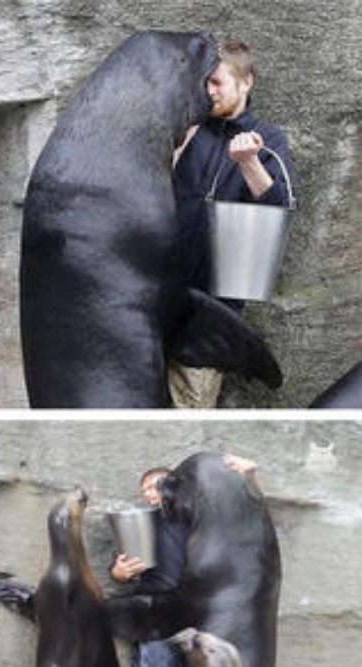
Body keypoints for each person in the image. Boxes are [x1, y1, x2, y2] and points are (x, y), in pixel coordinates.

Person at [168, 39, 295, 409]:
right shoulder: (188, 130)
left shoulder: (267, 141)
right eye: (204, 84)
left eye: (217, 83)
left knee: (186, 414)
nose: (209, 92)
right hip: (156, 298)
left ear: (246, 81)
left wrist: (249, 163)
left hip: (206, 319)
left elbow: (279, 211)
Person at [109, 453, 257, 667]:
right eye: (145, 489)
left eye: (158, 484)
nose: (151, 492)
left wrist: (248, 478)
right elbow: (120, 568)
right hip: (156, 614)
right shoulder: (138, 525)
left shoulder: (200, 519)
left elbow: (244, 514)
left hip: (199, 614)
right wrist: (118, 573)